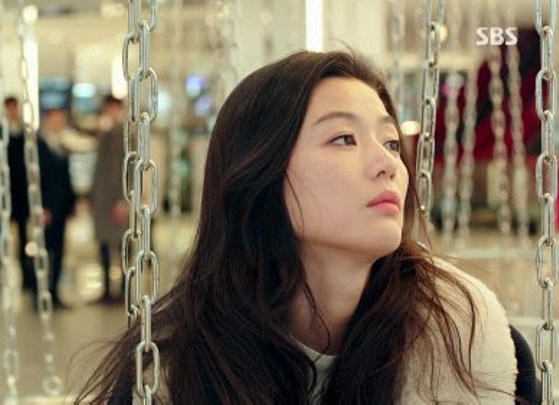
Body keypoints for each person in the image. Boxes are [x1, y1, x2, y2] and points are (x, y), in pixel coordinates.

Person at [77, 51, 522, 404]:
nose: (388, 163)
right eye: (343, 138)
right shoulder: (171, 370)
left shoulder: (464, 338)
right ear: (259, 173)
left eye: (390, 142)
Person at [0, 96, 33, 297]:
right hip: (3, 194)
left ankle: (25, 277)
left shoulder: (25, 135)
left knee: (23, 236)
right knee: (0, 236)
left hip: (21, 195)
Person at [36, 108, 78, 310]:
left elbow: (66, 179)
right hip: (47, 210)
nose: (60, 124)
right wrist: (42, 207)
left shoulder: (61, 145)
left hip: (61, 209)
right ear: (48, 122)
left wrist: (71, 203)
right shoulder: (39, 147)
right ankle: (41, 291)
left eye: (62, 121)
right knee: (45, 250)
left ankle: (54, 291)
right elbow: (36, 181)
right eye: (56, 120)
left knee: (59, 250)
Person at [89, 95, 128, 302]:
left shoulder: (126, 134)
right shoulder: (104, 134)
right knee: (104, 245)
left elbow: (129, 169)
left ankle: (123, 289)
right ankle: (106, 289)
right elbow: (98, 169)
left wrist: (123, 200)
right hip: (103, 200)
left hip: (117, 200)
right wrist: (93, 197)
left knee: (122, 246)